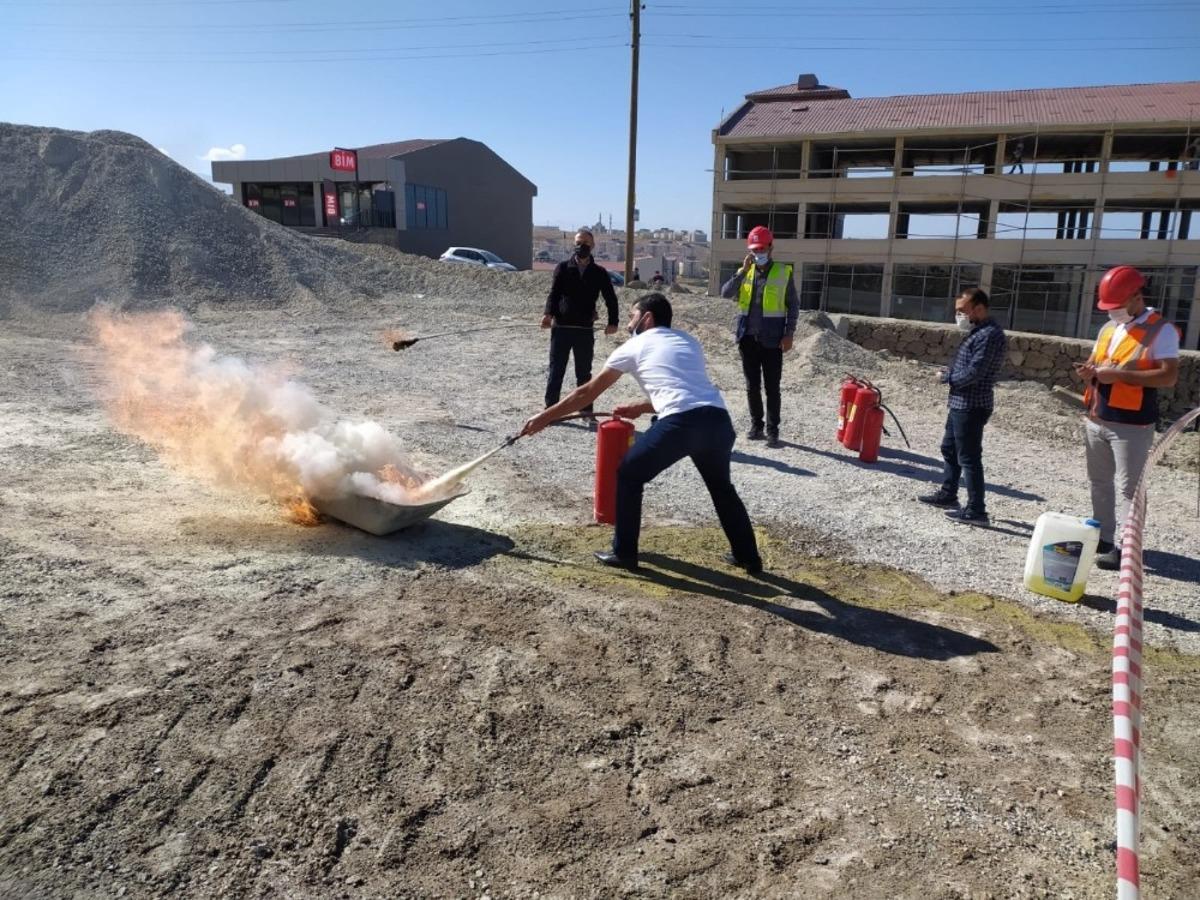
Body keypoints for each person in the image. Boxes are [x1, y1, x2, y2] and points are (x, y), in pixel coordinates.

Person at [522, 293, 762, 574]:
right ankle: (748, 557)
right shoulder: (688, 341)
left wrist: (545, 417)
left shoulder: (635, 345)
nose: (628, 323)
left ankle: (623, 553)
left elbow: (587, 391)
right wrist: (641, 406)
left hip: (682, 423)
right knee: (722, 488)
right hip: (718, 422)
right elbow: (685, 388)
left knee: (629, 473)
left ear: (647, 318)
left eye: (632, 316)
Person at [1075, 266, 1179, 570]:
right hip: (1098, 416)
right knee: (1100, 482)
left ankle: (1127, 547)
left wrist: (1118, 375)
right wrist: (1088, 372)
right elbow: (1097, 364)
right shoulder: (1108, 329)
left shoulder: (1162, 330)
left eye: (1116, 306)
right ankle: (1105, 538)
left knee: (1129, 490)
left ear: (1136, 297)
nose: (1112, 312)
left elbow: (1168, 376)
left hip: (1132, 424)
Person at [918, 287, 1007, 526]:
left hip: (972, 405)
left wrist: (947, 378)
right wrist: (948, 372)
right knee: (949, 449)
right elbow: (964, 367)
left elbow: (974, 373)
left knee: (968, 457)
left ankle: (977, 510)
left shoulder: (989, 335)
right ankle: (948, 494)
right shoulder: (977, 332)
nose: (958, 316)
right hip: (959, 402)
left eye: (962, 311)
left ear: (978, 308)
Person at [719, 225, 799, 448]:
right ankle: (757, 426)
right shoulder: (746, 272)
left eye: (762, 249)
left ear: (771, 247)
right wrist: (741, 271)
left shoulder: (783, 273)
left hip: (773, 341)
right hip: (747, 339)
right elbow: (725, 293)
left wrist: (789, 333)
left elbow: (792, 306)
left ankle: (773, 431)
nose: (758, 253)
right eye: (755, 250)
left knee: (772, 387)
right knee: (751, 385)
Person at [542, 228, 619, 421]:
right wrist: (548, 315)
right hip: (561, 328)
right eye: (577, 243)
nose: (580, 246)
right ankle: (550, 410)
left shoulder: (599, 272)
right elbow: (554, 294)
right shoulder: (562, 267)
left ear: (592, 246)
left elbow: (610, 298)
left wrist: (613, 322)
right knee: (556, 369)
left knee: (583, 372)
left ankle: (586, 411)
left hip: (584, 329)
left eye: (585, 243)